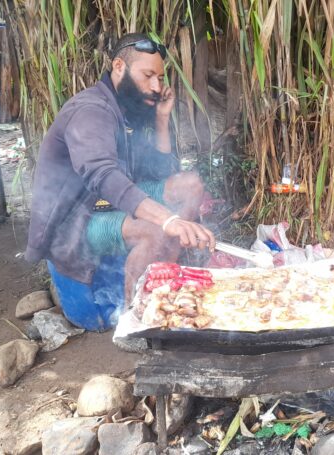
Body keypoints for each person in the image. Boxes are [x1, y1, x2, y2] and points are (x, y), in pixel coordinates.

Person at [25, 33, 215, 309]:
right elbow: (103, 176)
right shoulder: (90, 110)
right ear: (118, 67)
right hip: (78, 217)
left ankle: (165, 267)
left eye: (160, 78)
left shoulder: (131, 107)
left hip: (115, 200)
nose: (156, 86)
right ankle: (134, 314)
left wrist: (162, 118)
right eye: (148, 75)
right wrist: (167, 220)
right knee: (154, 231)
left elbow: (160, 172)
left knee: (191, 184)